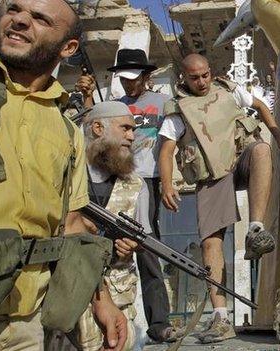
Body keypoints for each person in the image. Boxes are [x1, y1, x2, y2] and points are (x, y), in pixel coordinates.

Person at [0, 0, 126, 350]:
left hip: (24, 319)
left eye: (40, 18)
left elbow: (72, 224)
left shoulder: (67, 129)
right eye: (14, 10)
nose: (19, 21)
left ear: (68, 48)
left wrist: (101, 301)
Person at [158, 53, 280, 343]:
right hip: (211, 173)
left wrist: (279, 136)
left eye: (206, 75)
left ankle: (255, 229)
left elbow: (259, 105)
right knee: (211, 241)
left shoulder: (228, 89)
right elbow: (166, 149)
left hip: (240, 157)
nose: (202, 82)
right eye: (195, 77)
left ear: (211, 72)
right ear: (184, 77)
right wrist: (166, 184)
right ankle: (221, 317)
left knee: (261, 149)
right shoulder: (177, 110)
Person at [77, 48, 178, 343]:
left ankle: (159, 322)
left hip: (145, 180)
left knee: (146, 250)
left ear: (146, 77)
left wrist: (169, 181)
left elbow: (174, 137)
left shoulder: (162, 102)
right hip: (106, 178)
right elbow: (91, 127)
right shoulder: (113, 105)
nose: (129, 84)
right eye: (124, 78)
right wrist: (85, 96)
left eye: (135, 78)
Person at [77, 101, 150, 349]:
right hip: (72, 300)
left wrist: (132, 246)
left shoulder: (136, 185)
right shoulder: (69, 176)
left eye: (133, 130)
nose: (132, 137)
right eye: (125, 128)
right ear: (98, 127)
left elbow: (143, 241)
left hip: (119, 303)